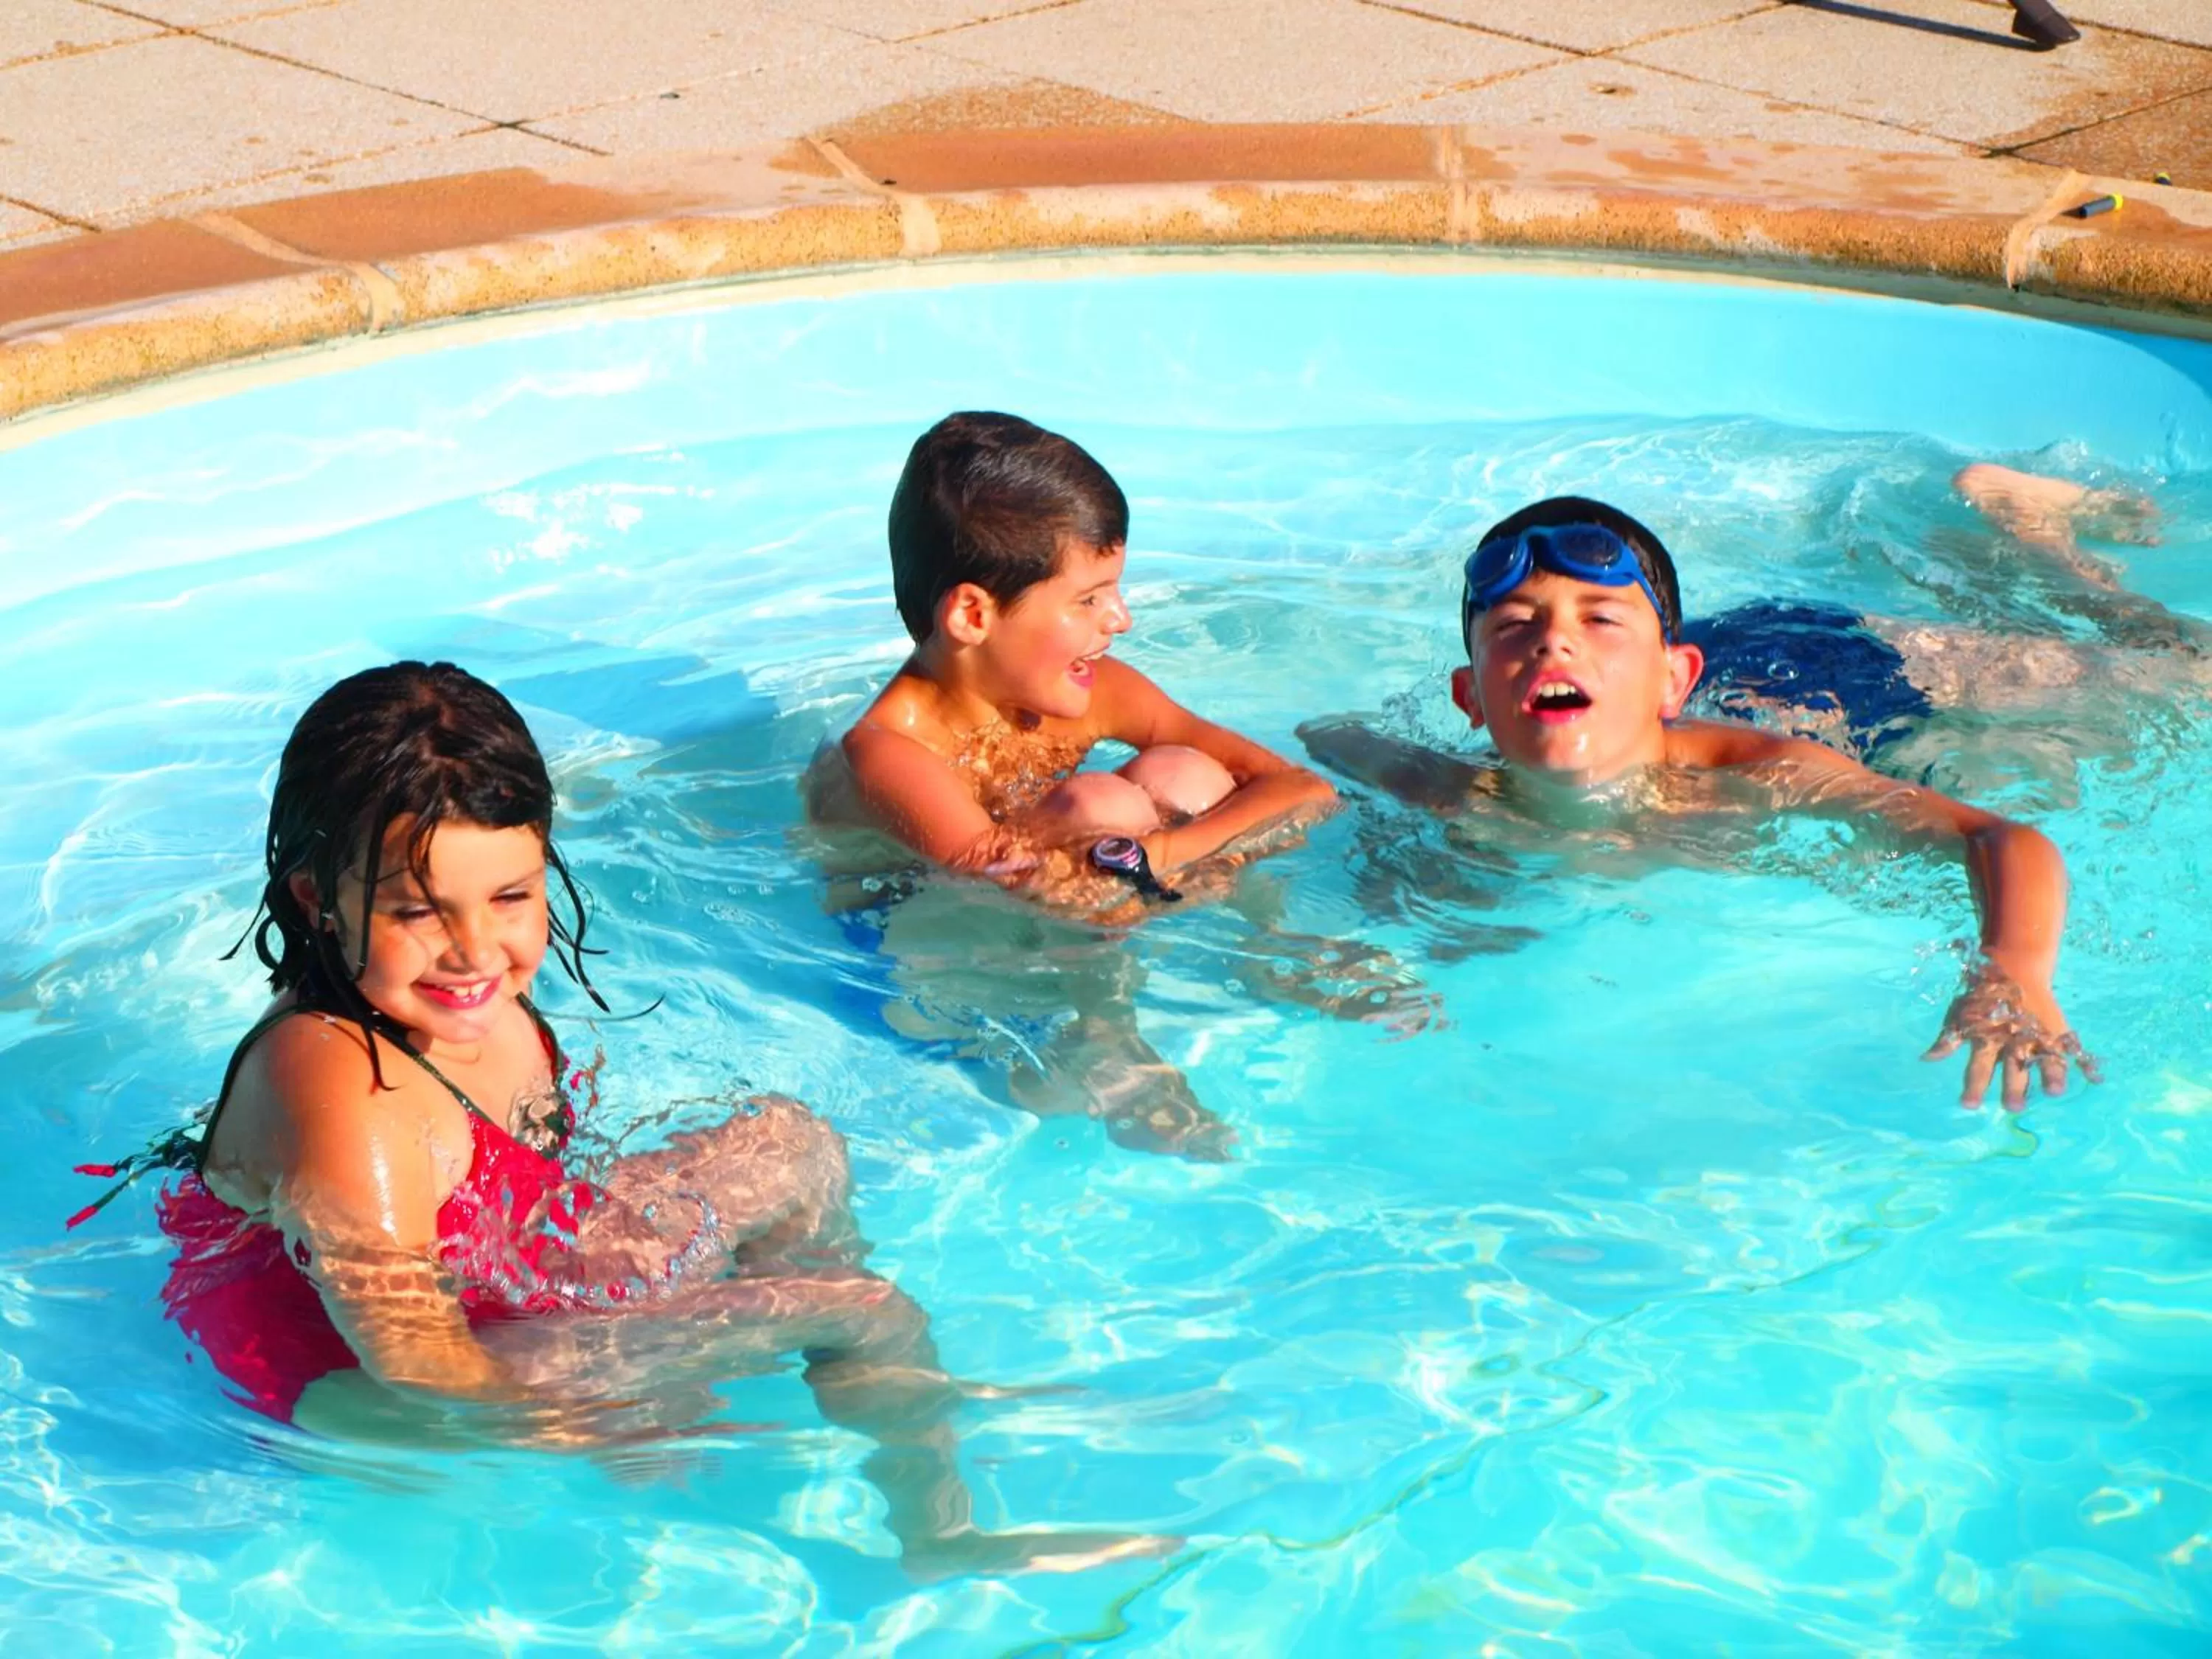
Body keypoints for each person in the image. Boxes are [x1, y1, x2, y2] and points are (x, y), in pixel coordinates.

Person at [76, 661, 1165, 1576]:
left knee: (790, 1143)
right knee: (863, 1306)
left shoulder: (464, 1003)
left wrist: (662, 1330)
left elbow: (519, 1202)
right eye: (417, 911)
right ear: (322, 901)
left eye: (511, 897)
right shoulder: (343, 1083)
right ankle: (938, 1529)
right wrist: (599, 1418)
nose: (474, 950)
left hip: (477, 1304)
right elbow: (417, 1358)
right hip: (349, 1384)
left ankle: (862, 1389)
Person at [1298, 496, 2104, 1113]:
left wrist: (2014, 971)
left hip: (1842, 673)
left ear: (1674, 679)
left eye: (1596, 617)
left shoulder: (1763, 776)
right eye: (1514, 625)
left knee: (2139, 666)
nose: (1553, 641)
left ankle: (2030, 529)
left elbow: (2001, 838)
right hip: (1685, 662)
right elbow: (1324, 739)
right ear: (1470, 697)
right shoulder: (1439, 788)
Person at [804, 413, 1343, 1158]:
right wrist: (1165, 864)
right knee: (1103, 805)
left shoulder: (1090, 692)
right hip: (906, 966)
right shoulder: (886, 752)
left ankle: (1274, 949)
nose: (1121, 618)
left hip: (1050, 922)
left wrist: (1162, 858)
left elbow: (1303, 789)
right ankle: (1106, 1039)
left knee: (1184, 775)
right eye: (1089, 599)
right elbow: (1035, 890)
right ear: (972, 614)